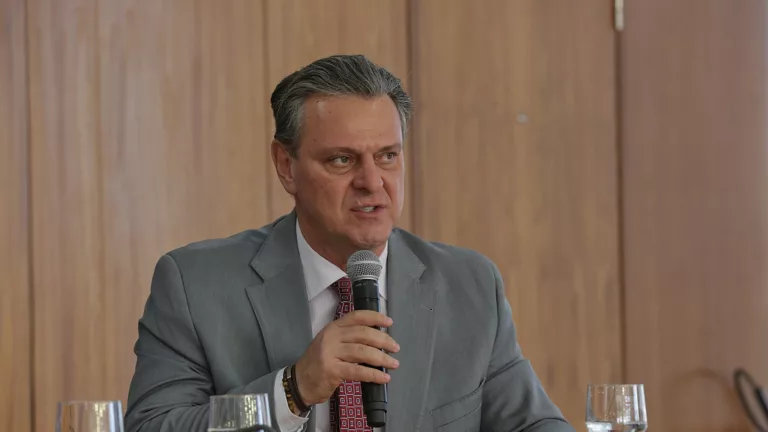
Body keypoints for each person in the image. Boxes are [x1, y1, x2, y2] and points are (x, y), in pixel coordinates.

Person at [124, 54, 574, 432]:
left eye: (387, 156)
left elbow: (534, 424)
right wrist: (293, 388)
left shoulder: (469, 284)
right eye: (342, 160)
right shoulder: (194, 285)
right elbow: (152, 425)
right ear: (286, 165)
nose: (372, 182)